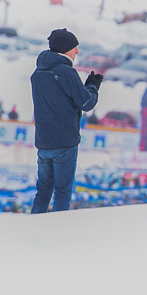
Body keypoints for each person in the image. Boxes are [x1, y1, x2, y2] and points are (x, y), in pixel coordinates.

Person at [30, 28, 100, 213]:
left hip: (44, 143)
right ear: (65, 49)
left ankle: (32, 227)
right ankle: (55, 232)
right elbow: (86, 102)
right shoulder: (65, 72)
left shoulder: (38, 73)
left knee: (43, 192)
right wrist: (92, 86)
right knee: (62, 193)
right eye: (74, 47)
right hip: (64, 142)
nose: (77, 51)